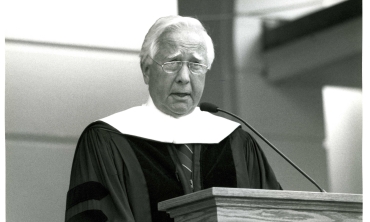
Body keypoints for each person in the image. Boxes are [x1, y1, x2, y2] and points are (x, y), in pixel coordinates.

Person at [65, 15, 281, 222]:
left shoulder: (237, 143)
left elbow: (273, 215)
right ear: (147, 70)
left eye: (196, 65)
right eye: (173, 63)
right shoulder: (107, 140)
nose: (184, 78)